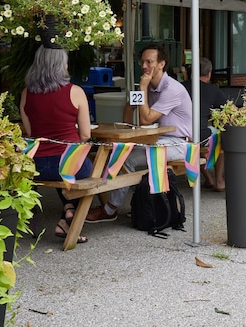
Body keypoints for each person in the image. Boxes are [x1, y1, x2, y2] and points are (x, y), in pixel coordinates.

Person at [86, 44, 193, 222]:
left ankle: (110, 209)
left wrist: (142, 88)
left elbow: (146, 119)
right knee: (113, 153)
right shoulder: (149, 86)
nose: (144, 66)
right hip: (158, 140)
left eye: (149, 62)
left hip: (180, 143)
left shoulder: (171, 89)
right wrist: (132, 103)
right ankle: (140, 199)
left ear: (161, 64)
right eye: (142, 61)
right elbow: (129, 115)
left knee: (125, 158)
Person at [20, 46, 92, 243]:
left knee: (63, 172)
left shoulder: (27, 93)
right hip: (68, 164)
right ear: (60, 65)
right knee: (86, 168)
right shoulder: (75, 92)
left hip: (37, 166)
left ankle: (67, 214)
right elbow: (85, 134)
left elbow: (30, 132)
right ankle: (69, 213)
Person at [183, 57, 228, 191]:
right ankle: (219, 181)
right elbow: (226, 112)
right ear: (209, 74)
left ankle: (208, 178)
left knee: (199, 142)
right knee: (221, 137)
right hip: (200, 134)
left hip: (181, 135)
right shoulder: (213, 90)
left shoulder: (181, 86)